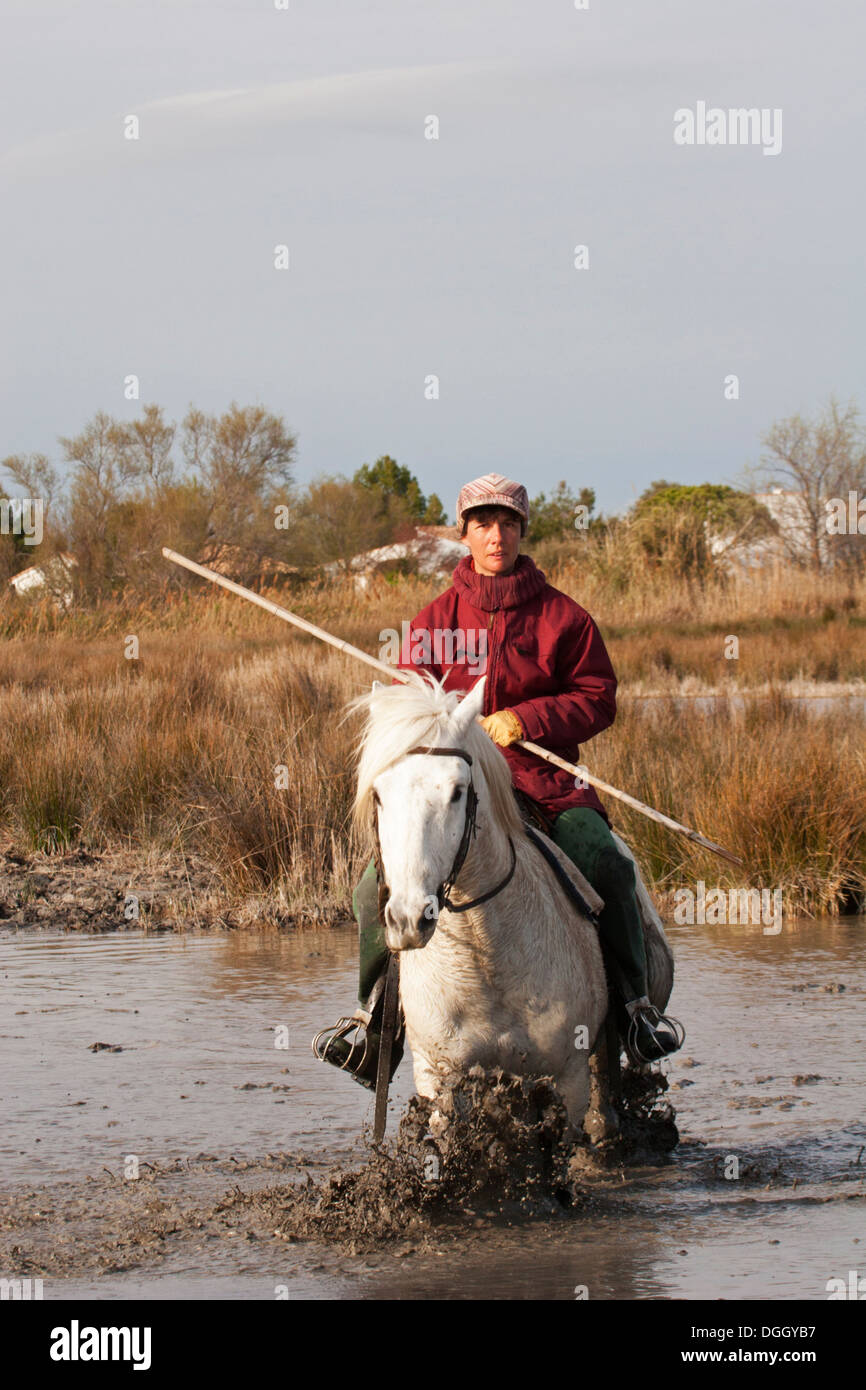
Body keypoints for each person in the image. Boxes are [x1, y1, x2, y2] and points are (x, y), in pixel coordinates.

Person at [313, 472, 682, 1088]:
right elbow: (406, 709)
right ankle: (374, 1025)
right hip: (455, 794)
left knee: (608, 865)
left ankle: (635, 1014)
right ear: (464, 534)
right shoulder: (433, 621)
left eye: (508, 523)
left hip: (545, 784)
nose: (496, 535)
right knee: (370, 889)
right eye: (482, 523)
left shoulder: (564, 617)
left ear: (521, 532)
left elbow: (599, 697)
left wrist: (527, 718)